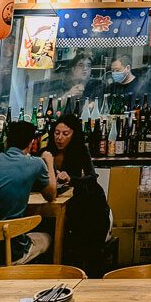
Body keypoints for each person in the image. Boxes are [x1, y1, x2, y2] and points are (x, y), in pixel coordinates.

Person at [0, 119, 56, 265]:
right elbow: (51, 195)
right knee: (47, 237)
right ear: (31, 143)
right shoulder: (36, 163)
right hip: (8, 252)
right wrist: (49, 162)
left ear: (6, 140)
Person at [48, 114, 110, 277]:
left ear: (74, 134)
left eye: (65, 134)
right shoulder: (47, 152)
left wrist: (72, 179)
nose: (60, 138)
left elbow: (92, 176)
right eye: (57, 133)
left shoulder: (81, 149)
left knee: (85, 242)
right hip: (61, 202)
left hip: (90, 203)